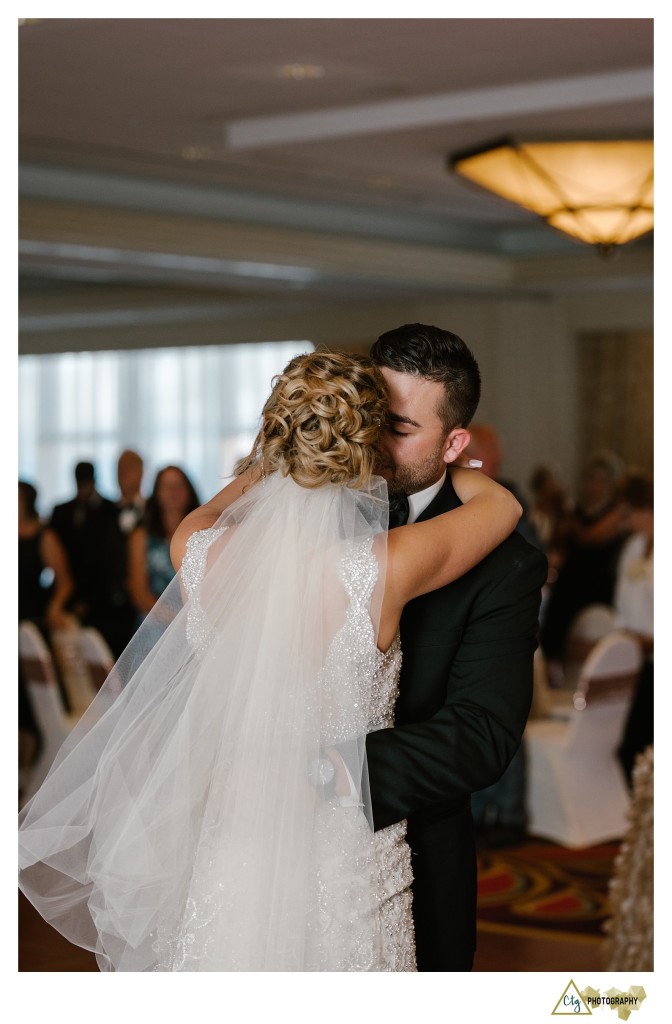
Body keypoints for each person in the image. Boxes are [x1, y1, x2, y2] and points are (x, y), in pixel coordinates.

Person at [18, 350, 521, 972]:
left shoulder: (197, 552)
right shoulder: (381, 569)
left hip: (235, 845)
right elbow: (504, 509)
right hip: (345, 854)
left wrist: (269, 461)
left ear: (275, 437)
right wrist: (455, 463)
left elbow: (208, 511)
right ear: (365, 446)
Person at [364, 324, 548, 971]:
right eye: (370, 418)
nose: (376, 444)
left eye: (400, 428)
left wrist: (331, 773)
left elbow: (480, 735)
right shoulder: (308, 514)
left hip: (411, 865)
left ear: (454, 442)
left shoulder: (507, 564)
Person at [49, 461, 131, 657]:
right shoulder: (61, 512)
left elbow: (113, 560)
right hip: (71, 597)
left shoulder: (111, 511)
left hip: (104, 602)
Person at [613, 471, 653, 784]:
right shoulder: (633, 548)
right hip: (633, 655)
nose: (624, 518)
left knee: (643, 743)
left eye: (628, 511)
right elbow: (622, 600)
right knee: (630, 747)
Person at [127, 465, 200, 621]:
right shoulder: (141, 536)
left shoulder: (202, 532)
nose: (173, 492)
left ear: (189, 491)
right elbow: (139, 592)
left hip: (196, 620)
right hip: (155, 623)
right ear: (157, 493)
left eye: (179, 486)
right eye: (167, 486)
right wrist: (176, 621)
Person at [116, 449, 145, 535]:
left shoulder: (152, 509)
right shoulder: (106, 511)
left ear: (141, 473)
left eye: (129, 468)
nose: (123, 474)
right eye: (120, 469)